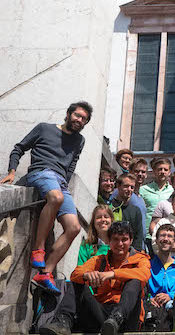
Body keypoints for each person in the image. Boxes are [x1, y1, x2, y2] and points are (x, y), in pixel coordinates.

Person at [1, 100, 92, 292]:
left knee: (74, 227)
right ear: (68, 114)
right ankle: (38, 249)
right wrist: (11, 172)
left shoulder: (79, 141)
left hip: (59, 182)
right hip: (40, 172)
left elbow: (71, 164)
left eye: (84, 119)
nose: (79, 120)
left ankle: (45, 273)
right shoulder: (44, 128)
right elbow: (19, 148)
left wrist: (64, 182)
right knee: (56, 198)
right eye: (77, 115)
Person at [69, 219, 151, 335]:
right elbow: (75, 274)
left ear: (131, 240)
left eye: (124, 240)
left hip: (128, 316)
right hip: (102, 313)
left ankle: (117, 317)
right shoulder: (99, 260)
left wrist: (113, 274)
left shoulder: (140, 259)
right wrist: (86, 275)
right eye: (116, 239)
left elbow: (144, 274)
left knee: (135, 281)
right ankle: (62, 321)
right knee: (75, 283)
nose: (120, 244)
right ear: (108, 241)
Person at [145, 223, 175, 331]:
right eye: (162, 236)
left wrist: (170, 295)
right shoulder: (147, 265)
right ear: (157, 240)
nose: (166, 239)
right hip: (152, 307)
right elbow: (142, 287)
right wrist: (149, 298)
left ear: (174, 242)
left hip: (172, 308)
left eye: (170, 236)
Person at [109, 174, 144, 252]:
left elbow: (138, 236)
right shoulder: (109, 207)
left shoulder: (135, 211)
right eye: (126, 186)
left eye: (132, 187)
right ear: (118, 186)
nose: (129, 190)